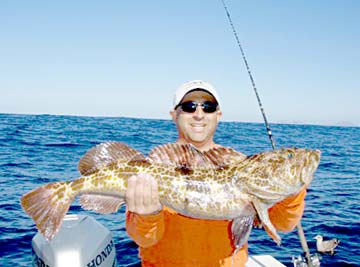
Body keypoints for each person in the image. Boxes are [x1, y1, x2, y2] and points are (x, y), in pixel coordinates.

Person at [125, 80, 307, 267]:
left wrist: (293, 190)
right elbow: (144, 239)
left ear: (218, 115)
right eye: (189, 107)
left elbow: (283, 224)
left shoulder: (240, 164)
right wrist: (148, 215)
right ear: (174, 115)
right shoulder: (154, 168)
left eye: (208, 107)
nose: (198, 115)